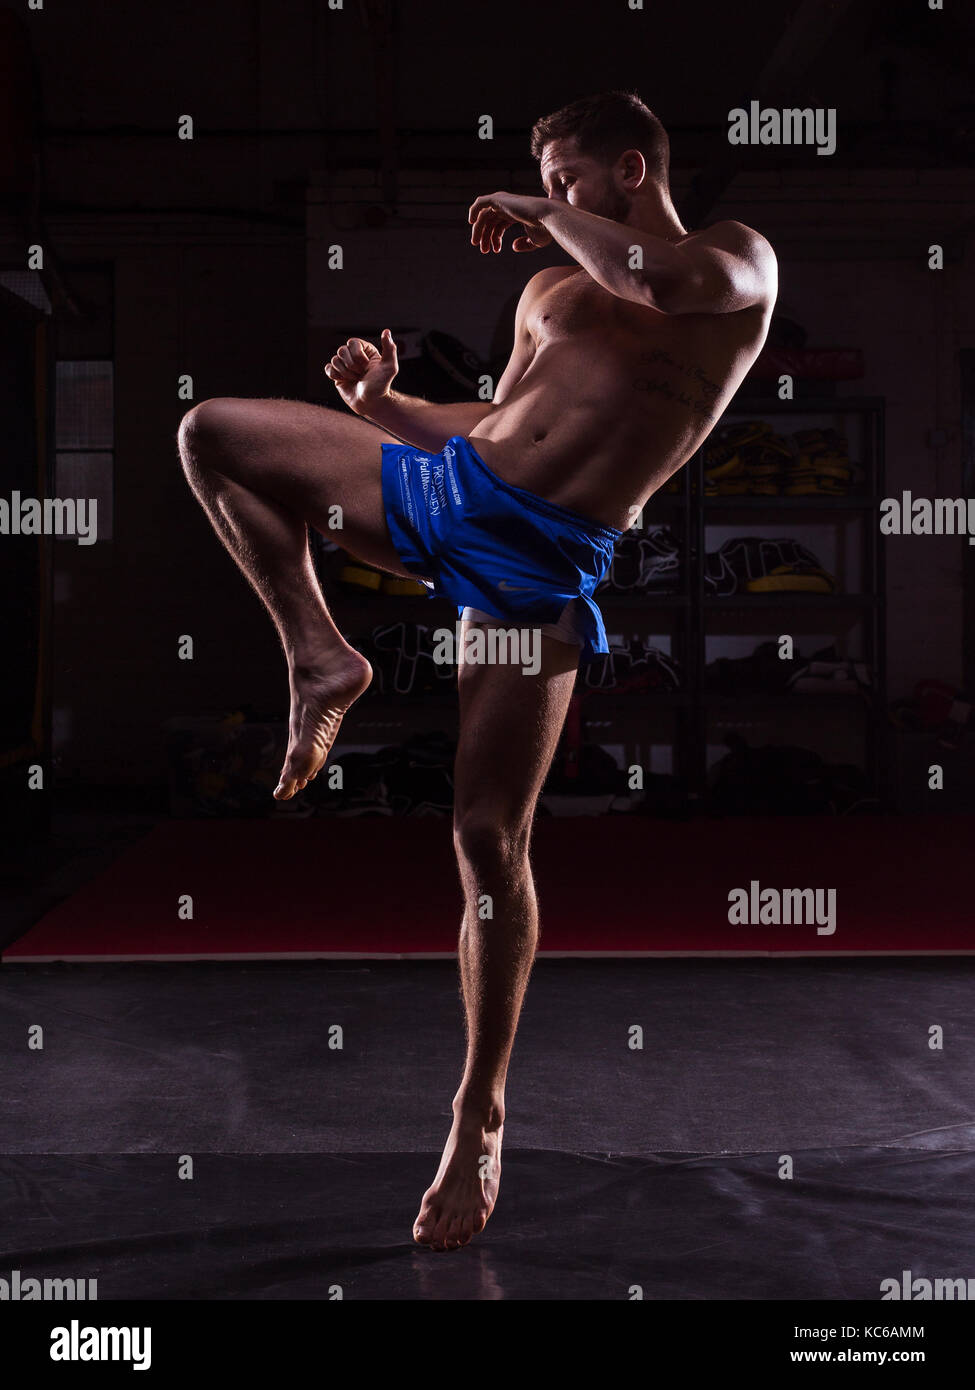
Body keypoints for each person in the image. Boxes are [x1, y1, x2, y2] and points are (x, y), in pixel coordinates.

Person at [177, 90, 777, 1253]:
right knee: (214, 435)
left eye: (563, 179)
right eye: (541, 181)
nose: (547, 199)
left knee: (487, 838)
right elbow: (497, 419)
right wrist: (379, 405)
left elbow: (654, 282)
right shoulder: (548, 286)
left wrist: (532, 211)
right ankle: (321, 654)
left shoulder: (731, 266)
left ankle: (478, 1109)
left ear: (631, 168)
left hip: (533, 570)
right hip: (441, 496)